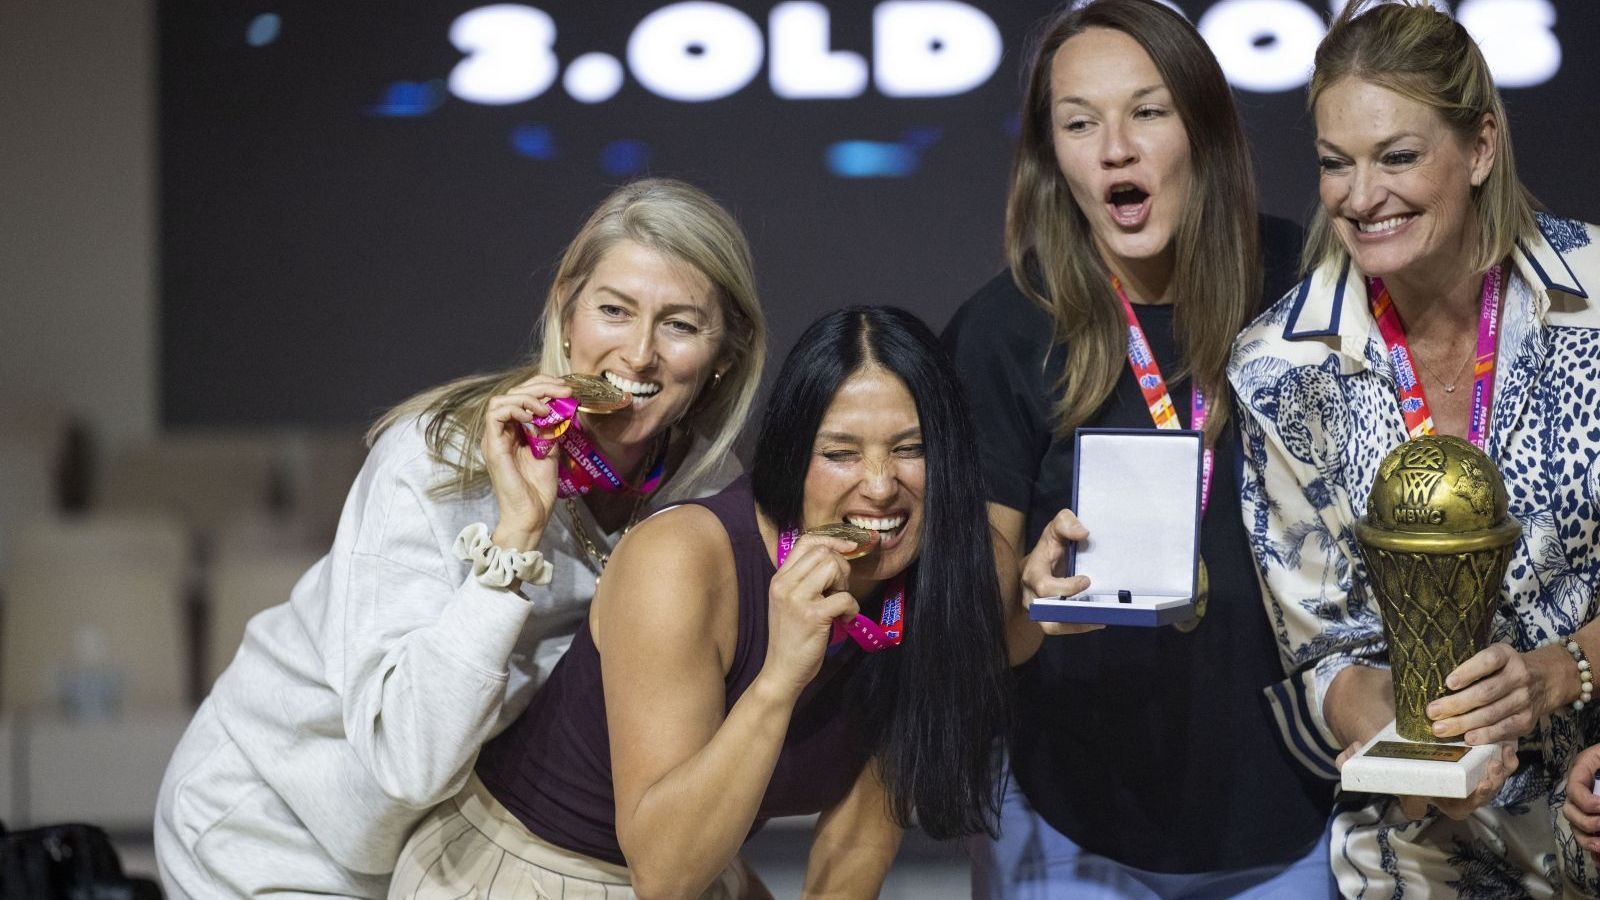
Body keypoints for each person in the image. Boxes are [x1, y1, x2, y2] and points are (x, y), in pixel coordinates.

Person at [153, 178, 767, 898]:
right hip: (271, 828)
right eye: (613, 310)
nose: (638, 353)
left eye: (680, 325)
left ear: (723, 354)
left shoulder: (707, 493)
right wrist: (515, 538)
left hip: (444, 854)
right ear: (565, 310)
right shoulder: (437, 459)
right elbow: (408, 760)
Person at [388, 305, 1013, 898]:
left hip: (708, 873)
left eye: (910, 449)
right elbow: (663, 875)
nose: (879, 487)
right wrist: (779, 679)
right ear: (793, 459)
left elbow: (856, 847)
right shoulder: (683, 562)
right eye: (840, 453)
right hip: (526, 871)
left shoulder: (952, 574)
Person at [940, 1, 1334, 896]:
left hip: (1300, 821)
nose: (1115, 148)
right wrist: (1026, 604)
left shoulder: (1312, 290)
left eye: (1148, 113)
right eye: (1080, 123)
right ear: (1053, 158)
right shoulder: (1003, 331)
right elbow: (975, 632)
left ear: (1204, 127)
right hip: (1073, 823)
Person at [1229, 1, 1600, 894]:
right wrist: (1426, 757)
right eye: (1334, 164)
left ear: (1479, 147)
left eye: (1397, 156)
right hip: (1414, 860)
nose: (1361, 197)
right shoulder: (1282, 366)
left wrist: (1563, 673)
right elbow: (1322, 655)